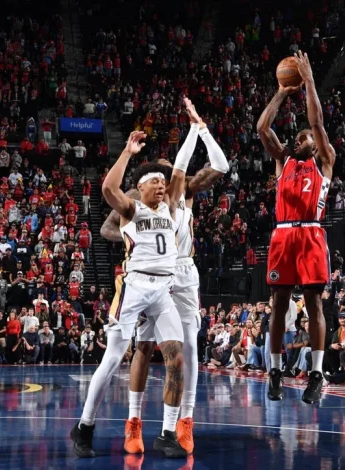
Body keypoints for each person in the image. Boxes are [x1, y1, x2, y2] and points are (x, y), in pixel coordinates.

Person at [102, 99, 227, 455]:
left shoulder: (184, 193)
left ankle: (184, 422)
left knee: (188, 350)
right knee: (142, 347)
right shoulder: (141, 199)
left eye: (170, 175)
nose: (168, 179)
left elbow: (218, 164)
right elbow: (109, 227)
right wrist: (136, 242)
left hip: (183, 273)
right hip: (149, 275)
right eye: (162, 175)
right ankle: (134, 420)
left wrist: (198, 128)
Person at [70, 126, 193, 459]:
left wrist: (195, 128)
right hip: (135, 286)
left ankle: (167, 433)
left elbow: (180, 171)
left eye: (162, 182)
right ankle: (84, 426)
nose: (161, 184)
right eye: (154, 180)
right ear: (139, 188)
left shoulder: (170, 209)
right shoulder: (131, 210)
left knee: (175, 358)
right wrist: (127, 151)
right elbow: (109, 187)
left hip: (163, 290)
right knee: (112, 360)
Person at [257, 51, 336, 404]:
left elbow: (317, 125)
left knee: (315, 303)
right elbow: (262, 128)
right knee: (278, 303)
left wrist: (309, 83)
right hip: (284, 233)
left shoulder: (325, 160)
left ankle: (316, 374)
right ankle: (275, 369)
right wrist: (280, 91)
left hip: (311, 233)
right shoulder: (283, 161)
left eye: (304, 138)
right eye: (299, 138)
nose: (299, 140)